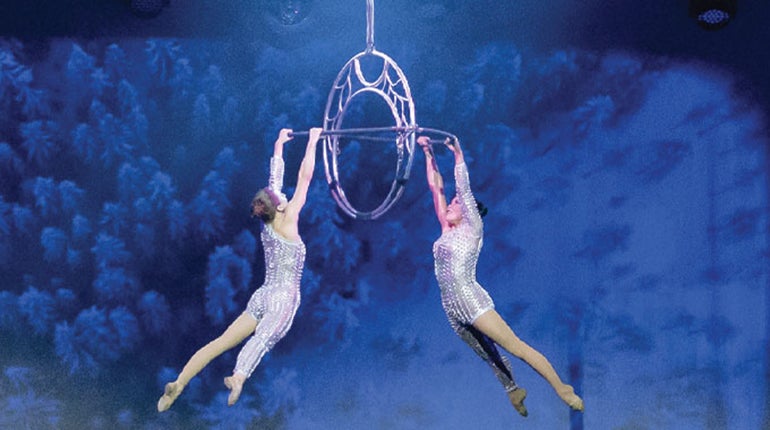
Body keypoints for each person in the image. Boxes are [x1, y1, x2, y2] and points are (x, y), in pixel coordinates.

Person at [417, 135, 584, 417]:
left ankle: (562, 388)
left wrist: (458, 155)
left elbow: (462, 189)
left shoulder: (472, 230)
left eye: (456, 204)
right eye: (452, 203)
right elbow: (436, 188)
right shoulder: (447, 230)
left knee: (514, 346)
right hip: (450, 306)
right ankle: (513, 390)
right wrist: (428, 152)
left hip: (470, 300)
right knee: (489, 355)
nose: (451, 205)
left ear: (467, 211)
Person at [157, 127, 323, 411]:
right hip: (282, 298)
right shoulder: (289, 218)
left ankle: (179, 383)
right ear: (278, 207)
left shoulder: (268, 222)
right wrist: (313, 141)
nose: (284, 197)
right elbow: (304, 178)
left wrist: (279, 145)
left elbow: (275, 181)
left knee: (221, 341)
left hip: (263, 295)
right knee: (263, 339)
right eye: (281, 198)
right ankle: (239, 376)